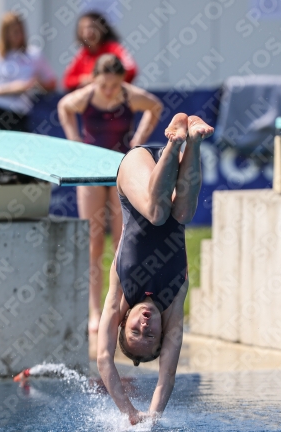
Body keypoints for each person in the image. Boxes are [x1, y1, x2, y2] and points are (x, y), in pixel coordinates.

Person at [97, 113, 214, 425]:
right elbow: (168, 375)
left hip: (135, 167)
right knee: (183, 212)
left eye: (135, 330)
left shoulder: (119, 292)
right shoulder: (174, 301)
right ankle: (193, 140)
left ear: (123, 322)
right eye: (150, 335)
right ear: (165, 333)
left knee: (157, 212)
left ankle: (174, 142)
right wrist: (154, 417)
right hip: (166, 183)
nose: (145, 326)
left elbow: (104, 359)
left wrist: (130, 413)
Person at [58, 54, 162, 339]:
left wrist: (138, 139)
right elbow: (64, 106)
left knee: (122, 242)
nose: (109, 91)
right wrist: (74, 141)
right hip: (90, 170)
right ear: (95, 79)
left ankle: (117, 305)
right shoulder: (87, 96)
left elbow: (155, 106)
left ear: (122, 82)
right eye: (104, 86)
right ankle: (93, 310)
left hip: (120, 169)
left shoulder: (129, 96)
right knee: (93, 242)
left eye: (114, 86)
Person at [0, 11, 56, 133]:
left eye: (20, 31)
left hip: (21, 114)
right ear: (5, 33)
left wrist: (37, 83)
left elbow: (52, 83)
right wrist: (10, 89)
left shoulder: (34, 54)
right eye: (14, 32)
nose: (18, 36)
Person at [63, 11, 137, 91]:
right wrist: (83, 79)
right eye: (83, 28)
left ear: (102, 28)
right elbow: (67, 81)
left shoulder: (114, 48)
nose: (88, 32)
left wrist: (108, 81)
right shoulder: (82, 53)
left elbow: (131, 70)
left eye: (92, 27)